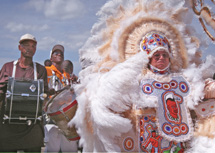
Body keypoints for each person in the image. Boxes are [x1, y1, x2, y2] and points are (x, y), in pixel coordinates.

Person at [69, 0, 215, 152]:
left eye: (165, 54)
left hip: (177, 145)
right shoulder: (136, 82)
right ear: (147, 57)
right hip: (145, 141)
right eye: (156, 54)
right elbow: (115, 103)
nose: (161, 58)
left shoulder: (182, 79)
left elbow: (200, 89)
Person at [0, 33, 48, 152]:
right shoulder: (8, 67)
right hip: (8, 124)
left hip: (32, 125)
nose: (29, 48)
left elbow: (44, 94)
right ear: (19, 47)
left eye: (33, 46)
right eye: (26, 45)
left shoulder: (40, 70)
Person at [44, 44, 79, 152]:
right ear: (51, 58)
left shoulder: (67, 75)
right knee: (52, 148)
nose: (59, 54)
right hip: (51, 118)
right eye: (56, 52)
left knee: (70, 148)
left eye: (61, 53)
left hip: (67, 117)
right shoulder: (46, 70)